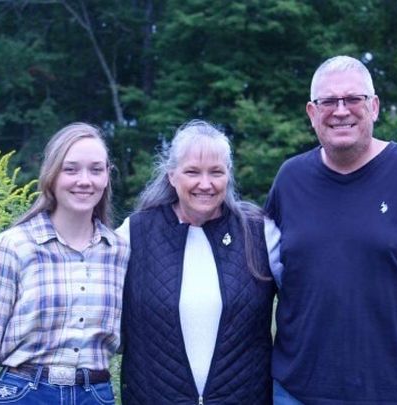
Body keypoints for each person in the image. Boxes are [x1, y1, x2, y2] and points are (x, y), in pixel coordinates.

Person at [265, 56, 397, 405]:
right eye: (328, 101)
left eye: (353, 98)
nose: (341, 111)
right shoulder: (290, 180)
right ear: (312, 112)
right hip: (296, 392)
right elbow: (260, 284)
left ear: (374, 106)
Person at [0, 123, 129, 404]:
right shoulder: (14, 245)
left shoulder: (119, 252)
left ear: (107, 176)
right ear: (51, 175)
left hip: (95, 395)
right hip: (25, 394)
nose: (84, 180)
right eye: (70, 169)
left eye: (96, 170)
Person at [117, 120, 282, 404]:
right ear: (172, 175)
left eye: (216, 172)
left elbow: (304, 303)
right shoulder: (134, 233)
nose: (205, 184)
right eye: (192, 172)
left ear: (228, 175)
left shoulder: (259, 232)